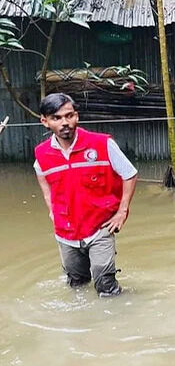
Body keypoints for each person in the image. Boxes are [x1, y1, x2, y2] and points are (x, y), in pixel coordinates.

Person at [34, 93, 138, 297]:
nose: (65, 122)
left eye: (69, 115)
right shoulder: (41, 154)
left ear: (77, 116)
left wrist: (122, 211)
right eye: (57, 118)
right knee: (76, 283)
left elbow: (130, 174)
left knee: (105, 283)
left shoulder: (102, 144)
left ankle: (116, 319)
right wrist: (52, 211)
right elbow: (44, 182)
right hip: (66, 231)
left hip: (100, 227)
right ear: (45, 122)